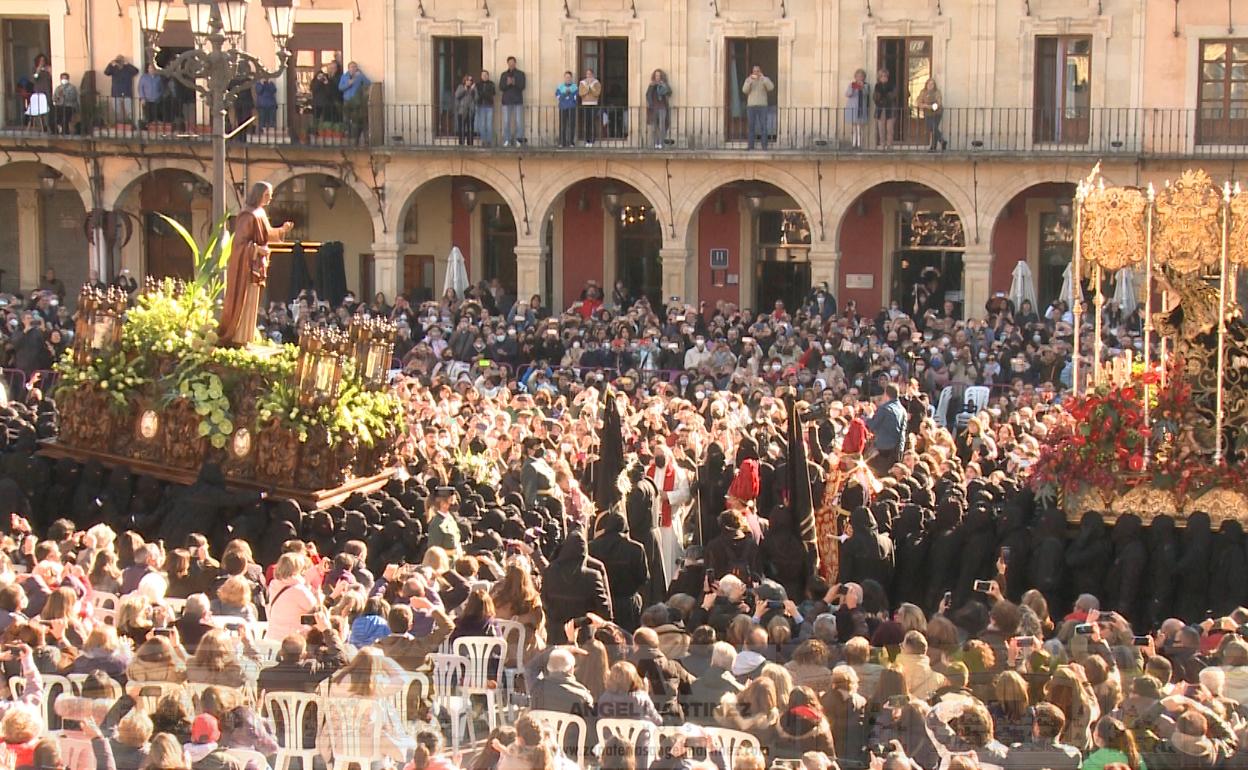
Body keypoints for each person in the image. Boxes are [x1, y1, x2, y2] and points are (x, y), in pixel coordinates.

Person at [217, 181, 293, 346]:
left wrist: (282, 230)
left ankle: (247, 337)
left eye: (270, 195)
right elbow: (239, 243)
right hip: (247, 264)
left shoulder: (261, 213)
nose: (269, 199)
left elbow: (267, 234)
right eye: (267, 195)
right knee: (245, 300)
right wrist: (256, 250)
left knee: (253, 301)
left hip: (257, 265)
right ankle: (239, 337)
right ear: (258, 194)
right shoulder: (247, 215)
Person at [865, 383, 908, 474]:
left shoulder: (885, 408)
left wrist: (869, 415)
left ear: (886, 394)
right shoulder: (903, 410)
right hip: (897, 451)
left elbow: (872, 425)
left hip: (883, 451)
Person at [741, 64, 774, 150]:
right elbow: (744, 90)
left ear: (760, 71)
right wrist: (750, 82)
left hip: (762, 106)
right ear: (752, 72)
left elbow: (771, 87)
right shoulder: (748, 80)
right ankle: (750, 146)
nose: (756, 73)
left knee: (763, 126)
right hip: (751, 106)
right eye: (755, 71)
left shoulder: (765, 79)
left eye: (758, 71)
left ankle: (764, 146)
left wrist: (764, 79)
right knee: (751, 127)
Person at [104, 55, 139, 129]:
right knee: (117, 112)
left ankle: (131, 125)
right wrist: (110, 64)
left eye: (121, 60)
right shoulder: (113, 69)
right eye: (118, 60)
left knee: (129, 111)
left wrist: (128, 64)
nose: (119, 62)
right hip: (116, 93)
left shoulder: (128, 68)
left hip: (127, 92)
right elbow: (106, 72)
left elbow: (136, 71)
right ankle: (119, 126)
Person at [338, 61, 370, 144]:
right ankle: (347, 137)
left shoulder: (360, 76)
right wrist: (349, 83)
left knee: (356, 121)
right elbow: (340, 87)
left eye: (355, 67)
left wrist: (362, 75)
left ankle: (355, 139)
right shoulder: (344, 76)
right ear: (348, 68)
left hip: (356, 102)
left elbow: (368, 83)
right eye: (352, 67)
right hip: (347, 101)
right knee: (346, 119)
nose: (353, 68)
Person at [499, 57, 526, 146]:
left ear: (515, 63)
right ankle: (507, 139)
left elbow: (522, 86)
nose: (511, 64)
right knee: (506, 122)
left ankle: (518, 140)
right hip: (506, 101)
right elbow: (501, 87)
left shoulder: (521, 74)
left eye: (512, 62)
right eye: (509, 62)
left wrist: (514, 83)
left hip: (518, 100)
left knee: (519, 122)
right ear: (507, 63)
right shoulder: (504, 74)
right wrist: (507, 84)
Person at [917, 78, 946, 152]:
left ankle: (933, 147)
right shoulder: (923, 92)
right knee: (932, 128)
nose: (930, 85)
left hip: (937, 113)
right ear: (926, 84)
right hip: (927, 113)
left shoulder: (937, 92)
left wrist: (928, 106)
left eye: (932, 84)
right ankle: (941, 141)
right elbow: (919, 102)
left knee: (933, 128)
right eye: (929, 84)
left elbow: (938, 103)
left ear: (934, 85)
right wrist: (926, 106)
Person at [845, 68, 871, 149]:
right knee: (853, 127)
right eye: (858, 76)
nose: (859, 78)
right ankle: (853, 143)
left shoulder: (866, 85)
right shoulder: (851, 84)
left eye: (861, 76)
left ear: (864, 77)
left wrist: (862, 87)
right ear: (855, 77)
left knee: (860, 127)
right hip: (853, 107)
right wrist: (853, 89)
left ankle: (859, 144)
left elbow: (866, 94)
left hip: (861, 108)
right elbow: (847, 94)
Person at [646, 69, 672, 149]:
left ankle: (661, 143)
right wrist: (650, 104)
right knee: (654, 127)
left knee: (662, 126)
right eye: (656, 75)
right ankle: (655, 143)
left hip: (662, 108)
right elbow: (647, 95)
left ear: (661, 76)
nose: (657, 77)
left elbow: (670, 92)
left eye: (659, 75)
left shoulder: (664, 85)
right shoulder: (651, 85)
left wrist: (664, 86)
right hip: (653, 108)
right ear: (654, 76)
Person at [578, 68, 602, 146]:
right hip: (585, 103)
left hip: (593, 103)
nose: (588, 76)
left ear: (592, 74)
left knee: (592, 122)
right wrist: (587, 89)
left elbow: (597, 93)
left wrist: (591, 88)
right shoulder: (582, 83)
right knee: (586, 122)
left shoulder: (597, 83)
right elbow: (581, 93)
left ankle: (592, 140)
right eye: (587, 74)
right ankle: (587, 140)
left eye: (590, 74)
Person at [874, 67, 897, 149]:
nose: (884, 77)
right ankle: (882, 144)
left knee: (890, 129)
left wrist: (884, 98)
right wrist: (881, 99)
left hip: (890, 109)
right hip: (880, 109)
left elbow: (893, 95)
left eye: (885, 76)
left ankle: (889, 145)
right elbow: (876, 97)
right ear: (879, 77)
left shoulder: (892, 85)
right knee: (881, 128)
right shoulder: (877, 86)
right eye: (882, 76)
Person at [139, 63, 165, 131]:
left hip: (156, 100)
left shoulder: (158, 78)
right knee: (147, 116)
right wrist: (142, 98)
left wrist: (159, 95)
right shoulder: (144, 77)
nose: (151, 70)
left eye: (153, 68)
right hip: (147, 100)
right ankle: (147, 129)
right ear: (148, 69)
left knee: (156, 115)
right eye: (150, 68)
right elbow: (140, 88)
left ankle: (155, 129)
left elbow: (162, 88)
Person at [555, 71, 578, 147]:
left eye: (569, 77)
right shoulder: (560, 87)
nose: (568, 78)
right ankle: (562, 142)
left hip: (572, 108)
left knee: (571, 125)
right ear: (564, 78)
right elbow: (558, 97)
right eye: (566, 77)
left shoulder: (575, 87)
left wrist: (568, 95)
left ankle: (571, 142)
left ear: (571, 78)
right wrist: (565, 93)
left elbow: (575, 98)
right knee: (562, 125)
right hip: (563, 108)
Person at [474, 69, 496, 147]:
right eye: (483, 75)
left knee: (489, 124)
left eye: (486, 75)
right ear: (481, 76)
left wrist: (483, 94)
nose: (484, 76)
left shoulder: (491, 84)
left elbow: (492, 94)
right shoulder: (478, 84)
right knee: (482, 125)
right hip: (480, 106)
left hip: (489, 106)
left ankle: (489, 141)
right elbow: (476, 95)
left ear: (488, 76)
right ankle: (483, 141)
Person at [454, 74, 476, 146]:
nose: (469, 82)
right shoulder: (460, 87)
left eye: (471, 80)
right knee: (461, 128)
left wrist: (472, 91)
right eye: (468, 80)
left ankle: (470, 143)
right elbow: (457, 95)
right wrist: (464, 89)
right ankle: (461, 143)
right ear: (465, 81)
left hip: (471, 111)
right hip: (462, 111)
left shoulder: (474, 88)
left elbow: (477, 98)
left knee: (470, 128)